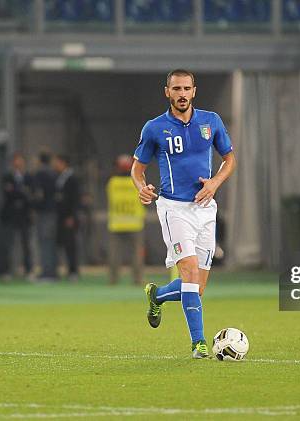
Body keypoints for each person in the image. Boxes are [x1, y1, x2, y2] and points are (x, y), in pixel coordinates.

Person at [131, 69, 236, 359]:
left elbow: (229, 159)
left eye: (186, 88)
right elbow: (137, 169)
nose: (181, 94)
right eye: (176, 89)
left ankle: (157, 295)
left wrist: (215, 182)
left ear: (194, 91)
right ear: (167, 92)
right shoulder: (154, 128)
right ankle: (199, 343)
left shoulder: (211, 121)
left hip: (205, 209)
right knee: (188, 272)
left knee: (197, 289)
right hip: (174, 208)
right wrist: (141, 187)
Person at [107, 154, 146, 285]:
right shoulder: (137, 182)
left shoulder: (112, 183)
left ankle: (113, 280)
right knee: (136, 256)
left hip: (116, 224)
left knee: (114, 255)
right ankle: (138, 280)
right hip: (135, 223)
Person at [0, 153, 34, 280]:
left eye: (20, 161)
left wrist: (19, 192)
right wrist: (21, 192)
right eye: (16, 161)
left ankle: (28, 270)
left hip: (25, 215)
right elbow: (7, 193)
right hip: (10, 215)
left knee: (26, 245)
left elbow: (30, 194)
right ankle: (7, 271)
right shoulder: (7, 177)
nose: (18, 164)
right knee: (9, 245)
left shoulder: (29, 177)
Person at [53, 154, 80, 281]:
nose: (55, 165)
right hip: (60, 216)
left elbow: (75, 199)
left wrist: (71, 216)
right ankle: (62, 269)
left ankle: (73, 271)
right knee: (61, 244)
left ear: (63, 163)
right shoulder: (60, 177)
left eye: (57, 162)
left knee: (70, 245)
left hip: (68, 217)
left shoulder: (72, 178)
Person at [33, 152, 58, 281]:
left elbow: (39, 194)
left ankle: (47, 273)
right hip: (53, 211)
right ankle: (52, 272)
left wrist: (34, 207)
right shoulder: (54, 173)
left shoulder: (40, 173)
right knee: (51, 242)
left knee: (44, 242)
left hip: (44, 213)